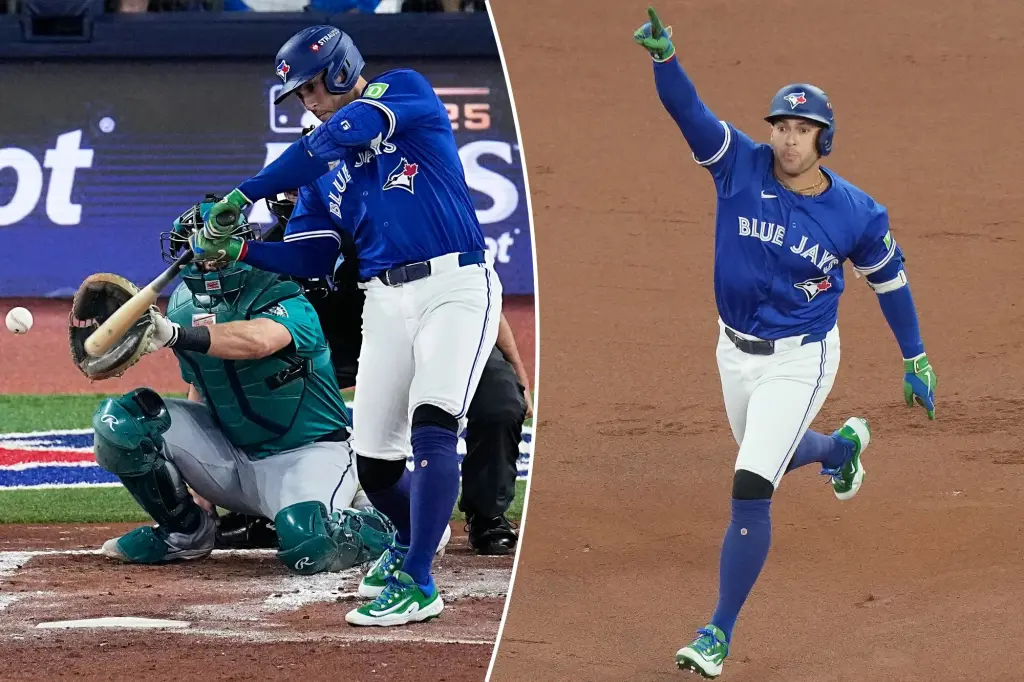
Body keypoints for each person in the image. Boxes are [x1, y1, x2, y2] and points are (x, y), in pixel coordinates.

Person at [633, 7, 938, 679]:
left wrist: (914, 354)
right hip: (734, 350)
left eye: (803, 131)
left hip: (803, 358)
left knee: (749, 484)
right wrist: (665, 61)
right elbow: (691, 115)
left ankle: (716, 632)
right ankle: (842, 449)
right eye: (782, 127)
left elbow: (890, 283)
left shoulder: (857, 213)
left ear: (824, 140)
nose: (789, 140)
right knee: (767, 451)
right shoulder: (740, 165)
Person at [184, 25, 503, 627]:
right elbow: (310, 257)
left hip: (456, 285)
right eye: (298, 94)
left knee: (434, 419)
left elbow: (342, 134)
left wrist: (239, 196)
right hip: (383, 298)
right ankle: (413, 544)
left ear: (338, 70)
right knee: (376, 463)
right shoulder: (318, 169)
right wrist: (239, 252)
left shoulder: (402, 91)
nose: (306, 101)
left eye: (309, 87)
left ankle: (419, 581)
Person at [79, 199, 434, 576]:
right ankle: (184, 534)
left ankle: (392, 526)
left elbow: (260, 340)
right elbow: (201, 386)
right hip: (232, 455)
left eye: (211, 248)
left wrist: (175, 335)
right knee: (122, 423)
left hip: (309, 453)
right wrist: (200, 492)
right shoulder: (183, 304)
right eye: (192, 249)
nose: (203, 259)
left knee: (309, 545)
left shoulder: (282, 288)